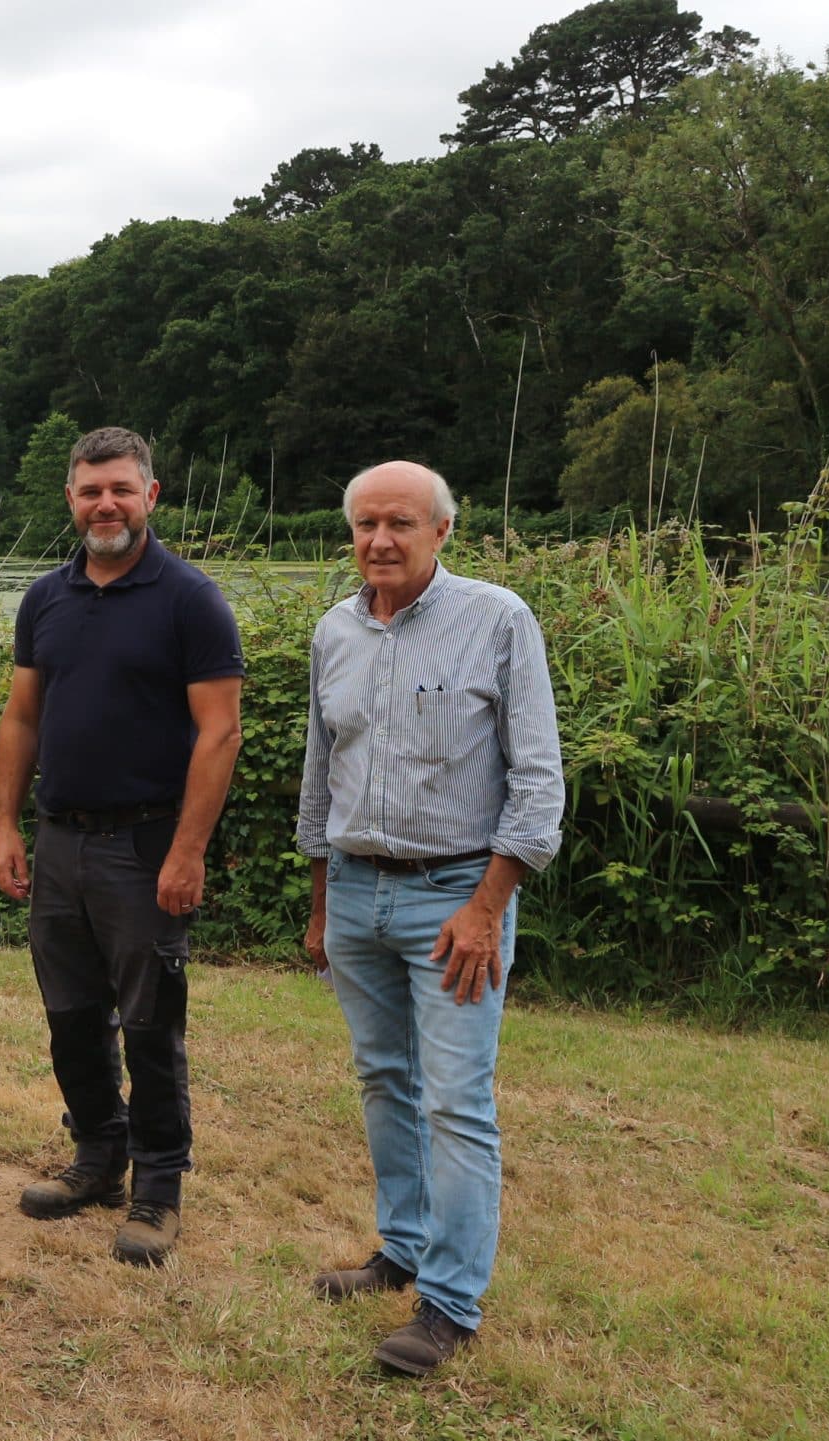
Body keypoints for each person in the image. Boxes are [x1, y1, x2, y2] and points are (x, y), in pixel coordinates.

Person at [297, 460, 564, 1377]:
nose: (380, 540)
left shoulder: (497, 620)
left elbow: (536, 784)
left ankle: (449, 1303)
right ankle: (401, 1249)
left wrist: (488, 908)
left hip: (456, 897)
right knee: (383, 1079)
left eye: (400, 523)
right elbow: (321, 774)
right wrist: (324, 900)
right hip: (357, 890)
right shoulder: (333, 630)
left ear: (443, 530)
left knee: (456, 1100)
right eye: (366, 523)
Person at [0, 425, 245, 1267]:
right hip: (61, 841)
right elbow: (22, 716)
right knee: (70, 1017)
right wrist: (5, 825)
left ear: (150, 496)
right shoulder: (46, 598)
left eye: (121, 490)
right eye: (90, 490)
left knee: (149, 1021)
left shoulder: (190, 599)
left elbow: (220, 733)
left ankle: (159, 1188)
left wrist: (187, 850)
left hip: (145, 844)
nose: (106, 504)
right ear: (71, 498)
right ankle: (98, 1157)